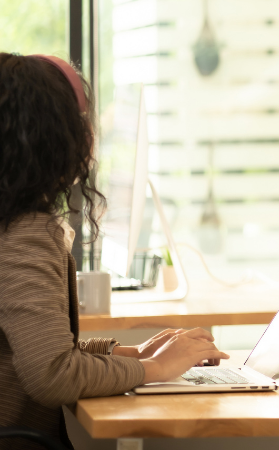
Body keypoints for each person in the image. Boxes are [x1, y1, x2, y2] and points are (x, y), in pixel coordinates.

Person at [0, 53, 230, 448]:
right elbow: (52, 374)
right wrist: (156, 368)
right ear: (52, 138)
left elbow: (38, 349)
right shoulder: (24, 235)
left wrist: (133, 353)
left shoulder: (11, 224)